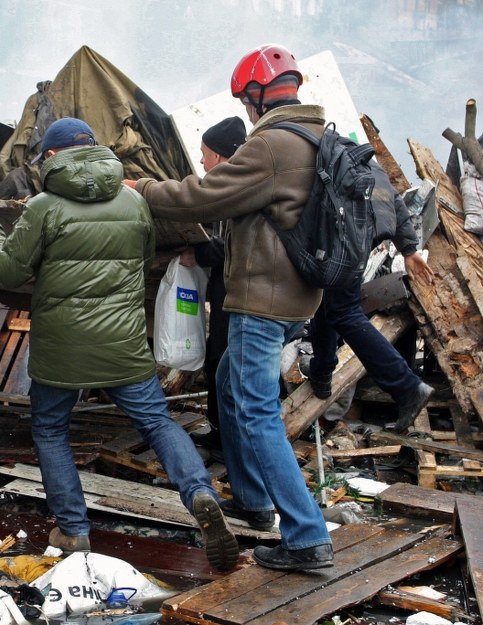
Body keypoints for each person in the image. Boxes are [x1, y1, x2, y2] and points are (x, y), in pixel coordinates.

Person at [0, 117, 239, 572]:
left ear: (53, 157)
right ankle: (199, 494)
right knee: (157, 421)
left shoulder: (43, 207)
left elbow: (8, 272)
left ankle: (74, 530)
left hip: (62, 349)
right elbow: (142, 258)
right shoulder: (135, 201)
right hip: (123, 343)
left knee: (51, 430)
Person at [129, 44, 334, 571]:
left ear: (258, 96)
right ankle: (252, 498)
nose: (246, 110)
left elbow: (204, 196)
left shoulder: (272, 145)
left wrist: (143, 189)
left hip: (263, 299)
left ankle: (306, 535)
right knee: (229, 383)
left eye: (246, 100)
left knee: (257, 411)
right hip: (292, 296)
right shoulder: (315, 135)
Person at [301, 166, 435, 433]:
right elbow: (396, 201)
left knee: (344, 312)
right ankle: (323, 371)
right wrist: (408, 249)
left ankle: (407, 387)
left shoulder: (315, 156)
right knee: (329, 306)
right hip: (358, 237)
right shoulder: (364, 163)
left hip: (343, 239)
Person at [182, 116, 247, 459]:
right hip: (230, 289)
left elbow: (232, 245)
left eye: (205, 153)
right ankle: (222, 433)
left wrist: (200, 252)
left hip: (235, 292)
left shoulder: (235, 187)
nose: (202, 160)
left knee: (222, 361)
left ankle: (228, 441)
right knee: (221, 358)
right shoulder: (236, 183)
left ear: (220, 157)